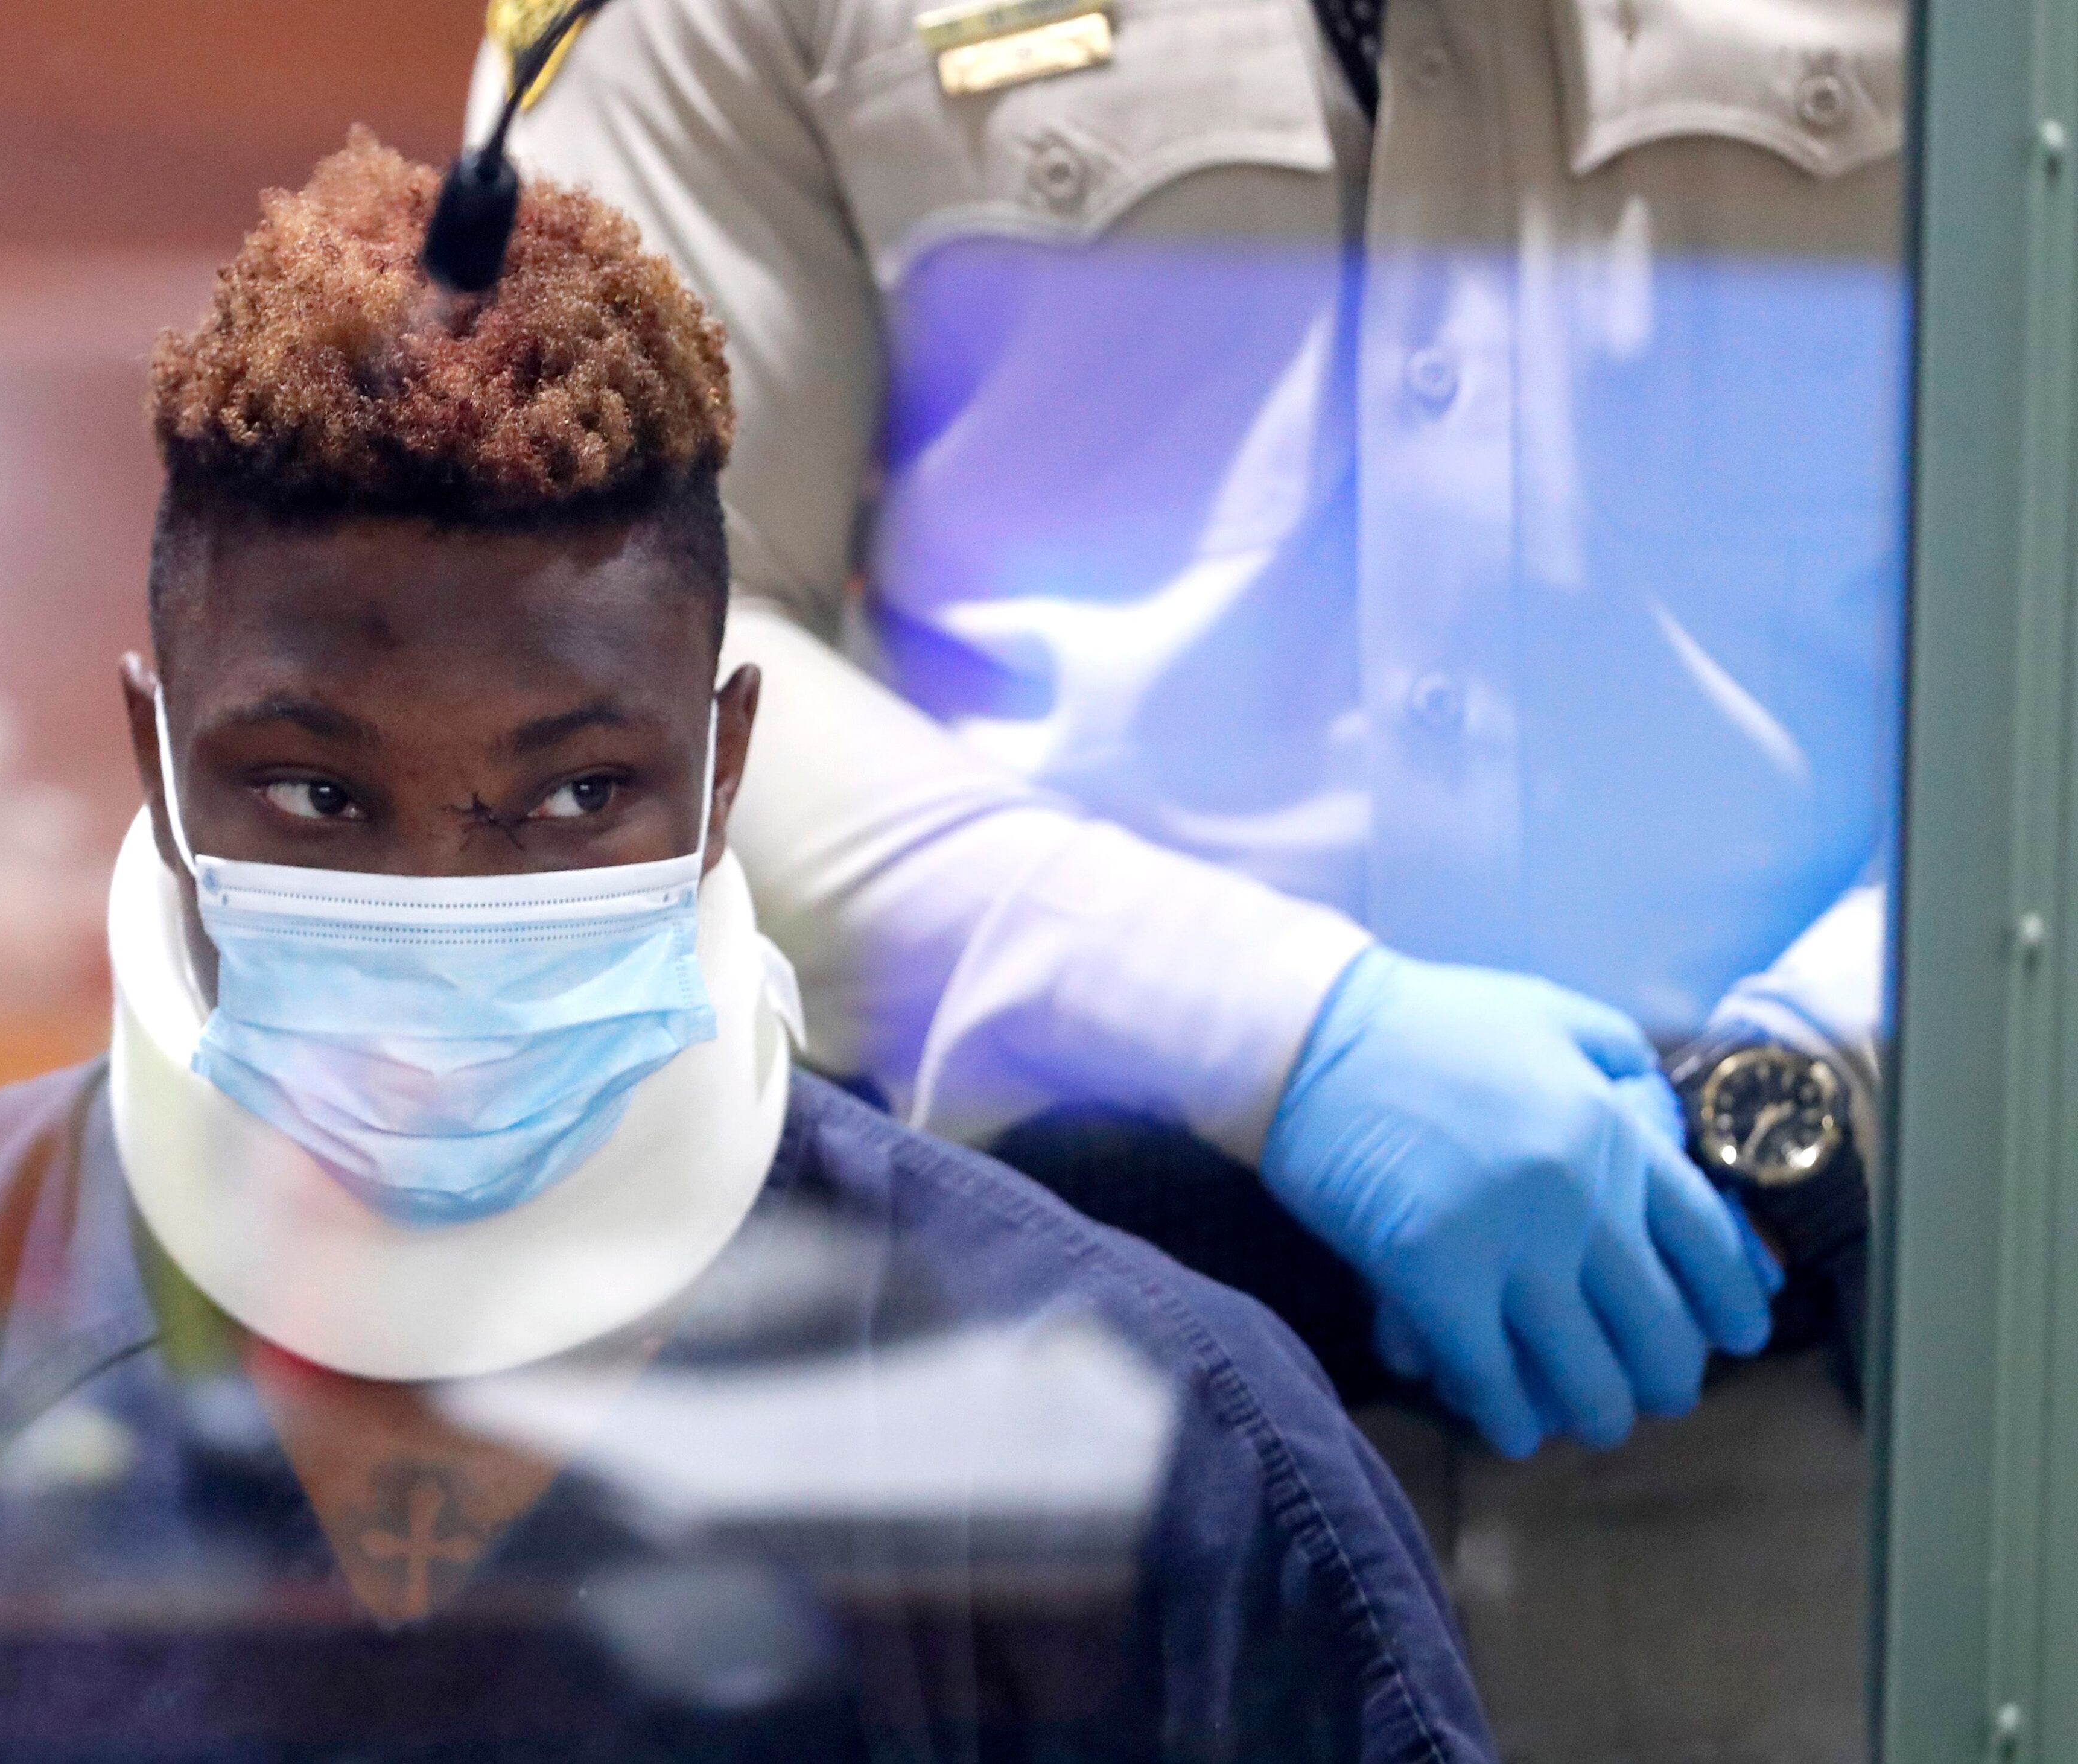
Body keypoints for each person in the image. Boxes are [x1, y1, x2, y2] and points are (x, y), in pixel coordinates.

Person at [0, 136, 1491, 1764]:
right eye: (314, 791)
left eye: (575, 794)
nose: (442, 907)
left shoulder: (1156, 1463)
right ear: (156, 757)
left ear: (723, 765)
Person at [474, 0, 1896, 1754]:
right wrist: (1279, 1037)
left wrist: (1843, 1074)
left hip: (1841, 1449)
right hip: (1076, 1471)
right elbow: (580, 631)